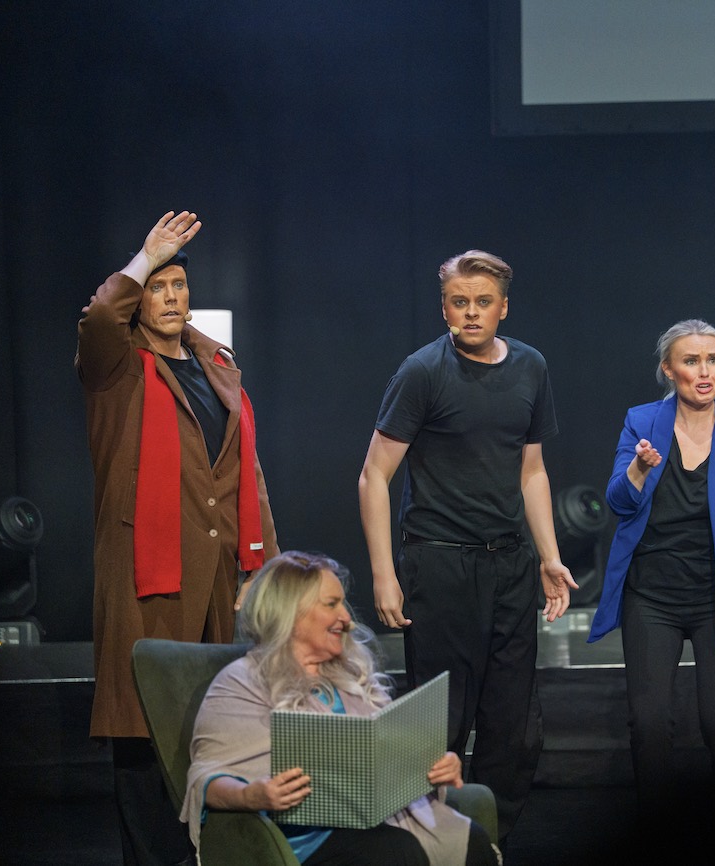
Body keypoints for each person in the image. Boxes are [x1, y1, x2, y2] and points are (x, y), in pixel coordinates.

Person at [76, 210, 279, 865]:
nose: (169, 297)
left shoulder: (214, 362)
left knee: (210, 726)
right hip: (150, 577)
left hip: (216, 577)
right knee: (144, 731)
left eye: (178, 285)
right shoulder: (116, 367)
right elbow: (98, 320)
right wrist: (143, 257)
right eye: (156, 286)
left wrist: (263, 568)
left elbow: (245, 471)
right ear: (139, 297)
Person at [357, 249, 577, 846]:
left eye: (483, 302)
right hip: (440, 562)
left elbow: (532, 471)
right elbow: (374, 474)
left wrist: (550, 556)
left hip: (510, 563)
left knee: (513, 727)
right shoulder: (423, 371)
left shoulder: (530, 366)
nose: (471, 312)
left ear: (503, 308)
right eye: (460, 302)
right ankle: (429, 843)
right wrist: (384, 573)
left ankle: (490, 844)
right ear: (445, 308)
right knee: (439, 723)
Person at [586, 318, 715, 812]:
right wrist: (639, 467)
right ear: (669, 369)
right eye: (691, 361)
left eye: (712, 360)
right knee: (649, 723)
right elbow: (618, 502)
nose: (704, 371)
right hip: (651, 596)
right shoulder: (642, 423)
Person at [183, 550, 499, 866]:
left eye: (342, 604)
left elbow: (393, 758)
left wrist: (433, 767)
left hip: (379, 823)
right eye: (331, 604)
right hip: (301, 841)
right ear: (291, 612)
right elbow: (205, 777)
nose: (346, 618)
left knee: (471, 840)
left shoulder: (351, 674)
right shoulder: (242, 682)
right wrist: (252, 795)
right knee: (396, 851)